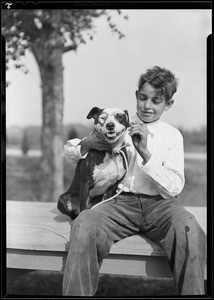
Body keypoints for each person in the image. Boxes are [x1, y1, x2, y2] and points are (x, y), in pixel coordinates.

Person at [62, 66, 206, 296]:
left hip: (162, 205)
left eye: (156, 101)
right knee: (84, 223)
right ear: (136, 95)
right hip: (121, 203)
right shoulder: (119, 125)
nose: (147, 106)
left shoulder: (172, 136)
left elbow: (175, 186)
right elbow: (70, 154)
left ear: (168, 104)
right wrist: (86, 145)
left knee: (189, 228)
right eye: (142, 98)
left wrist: (145, 153)